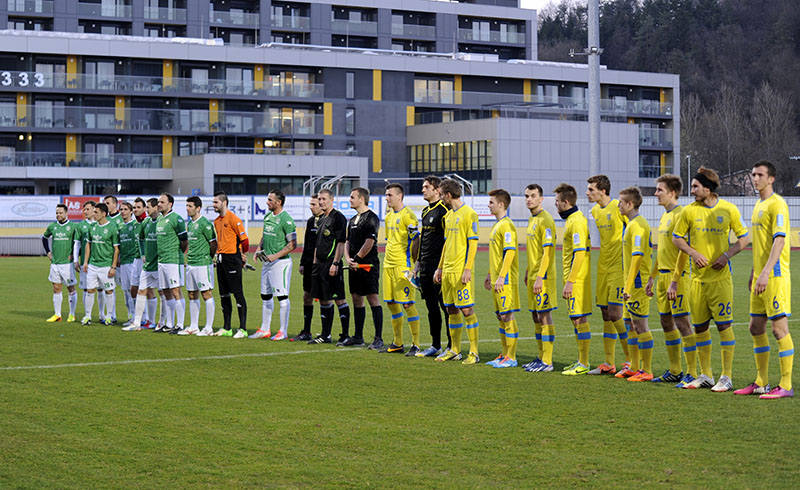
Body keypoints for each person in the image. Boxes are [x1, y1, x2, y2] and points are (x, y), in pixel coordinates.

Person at [671, 166, 750, 391]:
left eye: (696, 186)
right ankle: (706, 374)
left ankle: (726, 376)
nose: (692, 190)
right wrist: (694, 254)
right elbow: (677, 239)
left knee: (724, 326)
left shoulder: (728, 209)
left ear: (708, 188)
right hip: (697, 282)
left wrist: (726, 256)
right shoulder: (688, 211)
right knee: (700, 328)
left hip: (721, 281)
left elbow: (744, 239)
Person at [734, 161, 794, 399]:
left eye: (759, 174)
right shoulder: (759, 204)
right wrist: (754, 272)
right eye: (753, 174)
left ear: (771, 179)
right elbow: (761, 245)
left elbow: (779, 241)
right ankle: (761, 382)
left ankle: (786, 386)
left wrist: (766, 272)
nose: (754, 178)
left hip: (775, 276)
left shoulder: (777, 204)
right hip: (761, 275)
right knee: (755, 327)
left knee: (779, 330)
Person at [645, 175, 697, 386]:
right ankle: (675, 370)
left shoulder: (681, 214)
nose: (655, 194)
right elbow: (662, 250)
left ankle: (692, 371)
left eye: (659, 190)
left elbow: (683, 252)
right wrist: (652, 276)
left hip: (678, 277)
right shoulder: (664, 216)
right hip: (663, 277)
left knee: (682, 323)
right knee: (666, 321)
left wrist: (675, 280)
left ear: (672, 193)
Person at [586, 175, 630, 376]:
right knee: (605, 313)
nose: (587, 193)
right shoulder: (595, 211)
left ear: (602, 191)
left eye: (591, 189)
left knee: (615, 313)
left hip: (619, 268)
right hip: (602, 267)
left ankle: (630, 360)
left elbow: (633, 229)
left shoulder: (618, 207)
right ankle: (609, 362)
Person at [434, 179, 480, 364]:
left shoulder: (469, 214)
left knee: (467, 310)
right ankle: (455, 349)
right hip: (448, 271)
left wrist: (467, 269)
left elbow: (473, 243)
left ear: (448, 195)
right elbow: (446, 244)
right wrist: (440, 267)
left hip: (461, 271)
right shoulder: (449, 216)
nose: (440, 197)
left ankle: (474, 353)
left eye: (441, 194)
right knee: (451, 309)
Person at [554, 183, 592, 376]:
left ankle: (584, 363)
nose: (555, 205)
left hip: (576, 279)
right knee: (575, 318)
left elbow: (579, 253)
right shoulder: (571, 220)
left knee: (579, 318)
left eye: (557, 202)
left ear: (566, 202)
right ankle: (580, 360)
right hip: (573, 278)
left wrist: (570, 281)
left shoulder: (576, 222)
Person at [618, 187, 655, 382]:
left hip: (637, 284)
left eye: (621, 202)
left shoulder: (638, 226)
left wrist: (628, 286)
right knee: (628, 324)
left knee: (640, 326)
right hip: (630, 283)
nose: (618, 206)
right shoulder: (631, 224)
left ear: (630, 204)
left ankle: (646, 370)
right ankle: (633, 366)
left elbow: (637, 257)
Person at [380, 183, 421, 355]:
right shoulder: (389, 216)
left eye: (390, 195)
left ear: (399, 196)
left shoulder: (408, 215)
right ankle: (398, 342)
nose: (387, 198)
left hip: (402, 266)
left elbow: (416, 240)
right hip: (388, 265)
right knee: (390, 303)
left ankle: (416, 344)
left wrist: (413, 265)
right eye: (386, 195)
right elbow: (391, 240)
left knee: (407, 304)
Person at [250, 190, 297, 341]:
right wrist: (258, 249)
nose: (267, 202)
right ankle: (265, 329)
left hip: (281, 263)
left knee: (282, 297)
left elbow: (292, 245)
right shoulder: (267, 217)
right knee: (265, 296)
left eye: (270, 200)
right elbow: (265, 235)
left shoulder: (286, 220)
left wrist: (274, 256)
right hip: (267, 262)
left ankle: (283, 331)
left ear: (279, 202)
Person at [413, 176, 451, 358]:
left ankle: (452, 346)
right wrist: (418, 264)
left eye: (426, 187)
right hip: (426, 267)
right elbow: (423, 240)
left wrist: (442, 266)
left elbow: (448, 241)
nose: (423, 190)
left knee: (446, 306)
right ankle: (435, 345)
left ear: (437, 190)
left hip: (439, 267)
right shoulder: (425, 211)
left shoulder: (444, 210)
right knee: (431, 307)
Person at [342, 187, 383, 349]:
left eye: (352, 197)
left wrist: (357, 259)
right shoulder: (352, 220)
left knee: (372, 298)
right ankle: (358, 336)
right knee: (356, 297)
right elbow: (347, 242)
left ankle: (378, 338)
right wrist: (348, 258)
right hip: (354, 266)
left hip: (367, 265)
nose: (350, 200)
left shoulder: (371, 218)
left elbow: (370, 242)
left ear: (361, 199)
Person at [522, 184, 557, 373]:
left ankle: (548, 361)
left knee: (544, 315)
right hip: (534, 275)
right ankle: (541, 357)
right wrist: (529, 271)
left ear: (541, 199)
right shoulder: (532, 219)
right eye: (527, 196)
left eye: (533, 196)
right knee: (535, 316)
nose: (529, 199)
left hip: (543, 277)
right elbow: (534, 251)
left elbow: (547, 252)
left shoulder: (546, 220)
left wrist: (540, 277)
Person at [484, 189, 520, 368]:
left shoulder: (507, 225)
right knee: (500, 316)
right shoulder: (497, 225)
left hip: (505, 280)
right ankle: (504, 354)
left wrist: (501, 277)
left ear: (501, 204)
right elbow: (497, 255)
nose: (488, 205)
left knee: (507, 315)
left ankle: (511, 357)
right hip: (498, 278)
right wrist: (491, 275)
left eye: (491, 202)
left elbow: (510, 251)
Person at [309, 188, 349, 344]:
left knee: (339, 299)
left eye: (324, 199)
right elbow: (318, 245)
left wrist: (336, 262)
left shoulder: (338, 218)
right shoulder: (321, 219)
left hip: (331, 264)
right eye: (319, 199)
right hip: (320, 266)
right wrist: (314, 264)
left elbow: (340, 242)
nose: (321, 202)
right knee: (324, 300)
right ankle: (325, 335)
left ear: (332, 200)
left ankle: (345, 335)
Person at [176, 196, 217, 336]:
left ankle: (208, 328)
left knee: (206, 294)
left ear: (198, 208)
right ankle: (194, 326)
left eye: (190, 206)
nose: (187, 208)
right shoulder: (191, 223)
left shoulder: (205, 223)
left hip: (202, 264)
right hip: (191, 263)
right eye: (186, 206)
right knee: (192, 294)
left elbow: (213, 243)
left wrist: (208, 258)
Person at [212, 191, 249, 338]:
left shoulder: (234, 219)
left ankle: (243, 329)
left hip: (232, 259)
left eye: (216, 202)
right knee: (223, 294)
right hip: (221, 259)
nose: (213, 205)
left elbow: (244, 241)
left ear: (224, 203)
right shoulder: (216, 221)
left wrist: (242, 254)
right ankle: (227, 328)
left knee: (237, 293)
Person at [81, 203, 119, 326]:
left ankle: (108, 316)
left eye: (96, 212)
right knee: (90, 290)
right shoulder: (92, 227)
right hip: (93, 264)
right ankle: (88, 316)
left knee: (108, 291)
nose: (94, 214)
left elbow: (116, 249)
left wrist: (113, 267)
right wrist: (86, 262)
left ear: (104, 213)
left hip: (106, 265)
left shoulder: (112, 228)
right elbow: (88, 245)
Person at [155, 193, 188, 334]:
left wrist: (178, 253)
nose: (159, 204)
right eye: (158, 202)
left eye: (162, 202)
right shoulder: (160, 219)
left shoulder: (176, 219)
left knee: (176, 291)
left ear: (170, 204)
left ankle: (180, 324)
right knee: (166, 292)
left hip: (174, 260)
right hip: (162, 261)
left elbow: (184, 240)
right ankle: (169, 323)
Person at [125, 198, 160, 331]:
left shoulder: (150, 222)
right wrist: (141, 253)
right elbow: (139, 241)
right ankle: (138, 318)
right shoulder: (135, 224)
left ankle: (150, 320)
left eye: (138, 207)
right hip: (136, 260)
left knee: (150, 290)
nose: (135, 210)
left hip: (150, 261)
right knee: (134, 289)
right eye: (134, 207)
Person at [292, 194, 322, 342]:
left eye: (313, 204)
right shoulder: (311, 221)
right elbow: (307, 244)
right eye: (310, 204)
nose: (311, 207)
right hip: (309, 265)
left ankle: (325, 333)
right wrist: (303, 263)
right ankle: (307, 331)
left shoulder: (328, 221)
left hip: (322, 265)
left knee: (325, 299)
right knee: (307, 296)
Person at [42, 203, 80, 323]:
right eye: (57, 213)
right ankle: (57, 314)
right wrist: (48, 252)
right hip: (55, 263)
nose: (58, 215)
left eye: (60, 213)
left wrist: (75, 256)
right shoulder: (52, 226)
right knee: (56, 287)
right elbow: (44, 237)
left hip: (67, 263)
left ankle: (72, 314)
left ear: (66, 213)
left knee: (70, 288)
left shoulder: (73, 226)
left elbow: (78, 243)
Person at [116, 202, 141, 327]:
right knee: (126, 291)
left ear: (131, 211)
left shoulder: (135, 225)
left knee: (135, 290)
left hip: (133, 261)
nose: (123, 212)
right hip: (124, 262)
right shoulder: (120, 226)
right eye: (121, 209)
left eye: (126, 209)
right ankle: (131, 316)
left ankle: (141, 316)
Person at [76, 200, 96, 323]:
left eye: (87, 209)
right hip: (85, 263)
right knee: (85, 288)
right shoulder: (81, 225)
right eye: (84, 209)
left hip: (100, 262)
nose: (85, 212)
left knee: (101, 289)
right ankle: (87, 314)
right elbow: (77, 243)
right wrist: (76, 260)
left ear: (95, 209)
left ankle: (105, 315)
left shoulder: (102, 225)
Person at [103, 195, 122, 323]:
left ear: (115, 204)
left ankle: (135, 316)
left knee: (129, 289)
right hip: (109, 261)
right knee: (109, 288)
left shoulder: (122, 219)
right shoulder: (105, 220)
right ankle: (112, 315)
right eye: (105, 203)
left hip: (123, 260)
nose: (106, 205)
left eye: (108, 203)